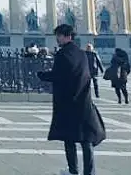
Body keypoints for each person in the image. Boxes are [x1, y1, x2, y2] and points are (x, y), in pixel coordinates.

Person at [38, 24, 105, 175]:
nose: (57, 38)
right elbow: (85, 75)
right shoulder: (82, 54)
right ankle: (89, 172)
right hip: (83, 100)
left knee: (69, 139)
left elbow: (58, 76)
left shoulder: (62, 54)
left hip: (68, 102)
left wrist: (42, 75)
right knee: (86, 139)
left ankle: (73, 170)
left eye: (59, 35)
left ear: (67, 36)